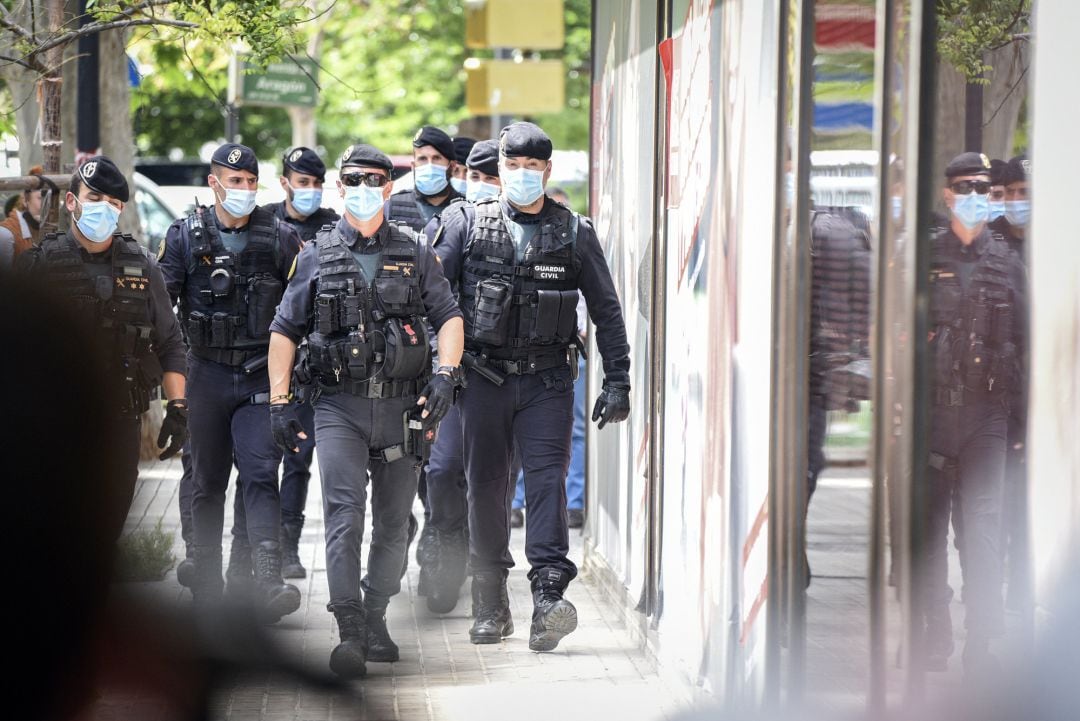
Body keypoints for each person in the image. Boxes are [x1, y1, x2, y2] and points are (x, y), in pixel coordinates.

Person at [266, 143, 464, 678]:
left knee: (395, 525)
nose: (363, 187)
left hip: (403, 409)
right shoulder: (317, 252)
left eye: (373, 179)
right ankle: (349, 628)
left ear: (387, 187)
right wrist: (280, 404)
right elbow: (284, 330)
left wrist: (446, 373)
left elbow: (448, 315)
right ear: (339, 186)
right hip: (340, 409)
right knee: (344, 518)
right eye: (353, 178)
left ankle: (376, 614)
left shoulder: (416, 251)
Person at [435, 122, 631, 652]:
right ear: (500, 170)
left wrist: (618, 378)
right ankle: (490, 600)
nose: (523, 176)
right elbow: (434, 301)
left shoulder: (573, 231)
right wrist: (436, 374)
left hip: (547, 379)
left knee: (547, 480)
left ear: (548, 171)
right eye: (513, 167)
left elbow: (607, 311)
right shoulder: (466, 225)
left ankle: (548, 594)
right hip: (482, 378)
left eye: (533, 168)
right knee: (485, 486)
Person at [159, 143, 304, 622]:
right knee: (206, 480)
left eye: (249, 181)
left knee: (262, 472)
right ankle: (204, 577)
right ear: (213, 183)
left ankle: (266, 577)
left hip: (260, 374)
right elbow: (163, 314)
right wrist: (173, 392)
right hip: (206, 374)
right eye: (233, 180)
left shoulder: (281, 239)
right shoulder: (183, 237)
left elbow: (303, 308)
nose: (242, 189)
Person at [15, 155, 189, 541]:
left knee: (104, 532)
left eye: (113, 203)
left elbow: (171, 341)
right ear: (72, 202)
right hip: (52, 422)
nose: (104, 208)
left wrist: (177, 407)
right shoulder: (40, 264)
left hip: (119, 420)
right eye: (94, 197)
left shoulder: (143, 266)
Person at [921, 152, 1027, 676]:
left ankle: (980, 643)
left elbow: (1025, 344)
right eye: (966, 186)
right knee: (931, 534)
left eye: (985, 188)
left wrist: (1022, 428)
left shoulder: (1007, 263)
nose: (977, 196)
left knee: (983, 535)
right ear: (947, 193)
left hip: (987, 420)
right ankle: (936, 633)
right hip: (934, 419)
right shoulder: (924, 259)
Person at [225, 147, 343, 580]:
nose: (308, 190)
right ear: (285, 181)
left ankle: (288, 545)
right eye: (301, 181)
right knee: (257, 460)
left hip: (311, 361)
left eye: (316, 182)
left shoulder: (333, 225)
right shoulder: (266, 222)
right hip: (266, 356)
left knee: (298, 454)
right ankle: (252, 548)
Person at [416, 138, 502, 614]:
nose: (483, 186)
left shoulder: (524, 230)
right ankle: (441, 540)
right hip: (448, 374)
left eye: (493, 177)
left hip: (502, 380)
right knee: (443, 469)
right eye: (478, 176)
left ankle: (477, 561)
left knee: (487, 480)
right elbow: (425, 299)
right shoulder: (448, 227)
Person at [990, 153, 1031, 612]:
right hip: (1002, 396)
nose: (1018, 201)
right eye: (1013, 193)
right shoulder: (995, 246)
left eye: (1026, 194)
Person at [386, 125, 464, 233]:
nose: (429, 165)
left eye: (436, 158)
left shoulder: (467, 210)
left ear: (452, 166)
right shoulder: (391, 207)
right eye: (422, 159)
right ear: (413, 166)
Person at [0, 164, 46, 257]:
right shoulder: (6, 235)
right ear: (25, 200)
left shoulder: (44, 229)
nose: (47, 205)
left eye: (50, 199)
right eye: (41, 198)